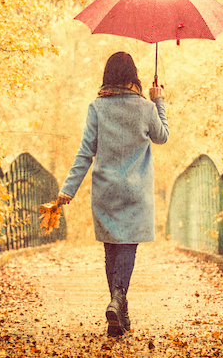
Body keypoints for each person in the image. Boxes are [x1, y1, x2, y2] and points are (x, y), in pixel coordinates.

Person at [55, 51, 168, 337]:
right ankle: (118, 301)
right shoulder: (145, 108)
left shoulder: (97, 107)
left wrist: (68, 189)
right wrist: (159, 100)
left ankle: (120, 314)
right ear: (133, 76)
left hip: (105, 191)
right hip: (135, 194)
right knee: (127, 246)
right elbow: (162, 136)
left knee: (110, 249)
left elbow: (85, 152)